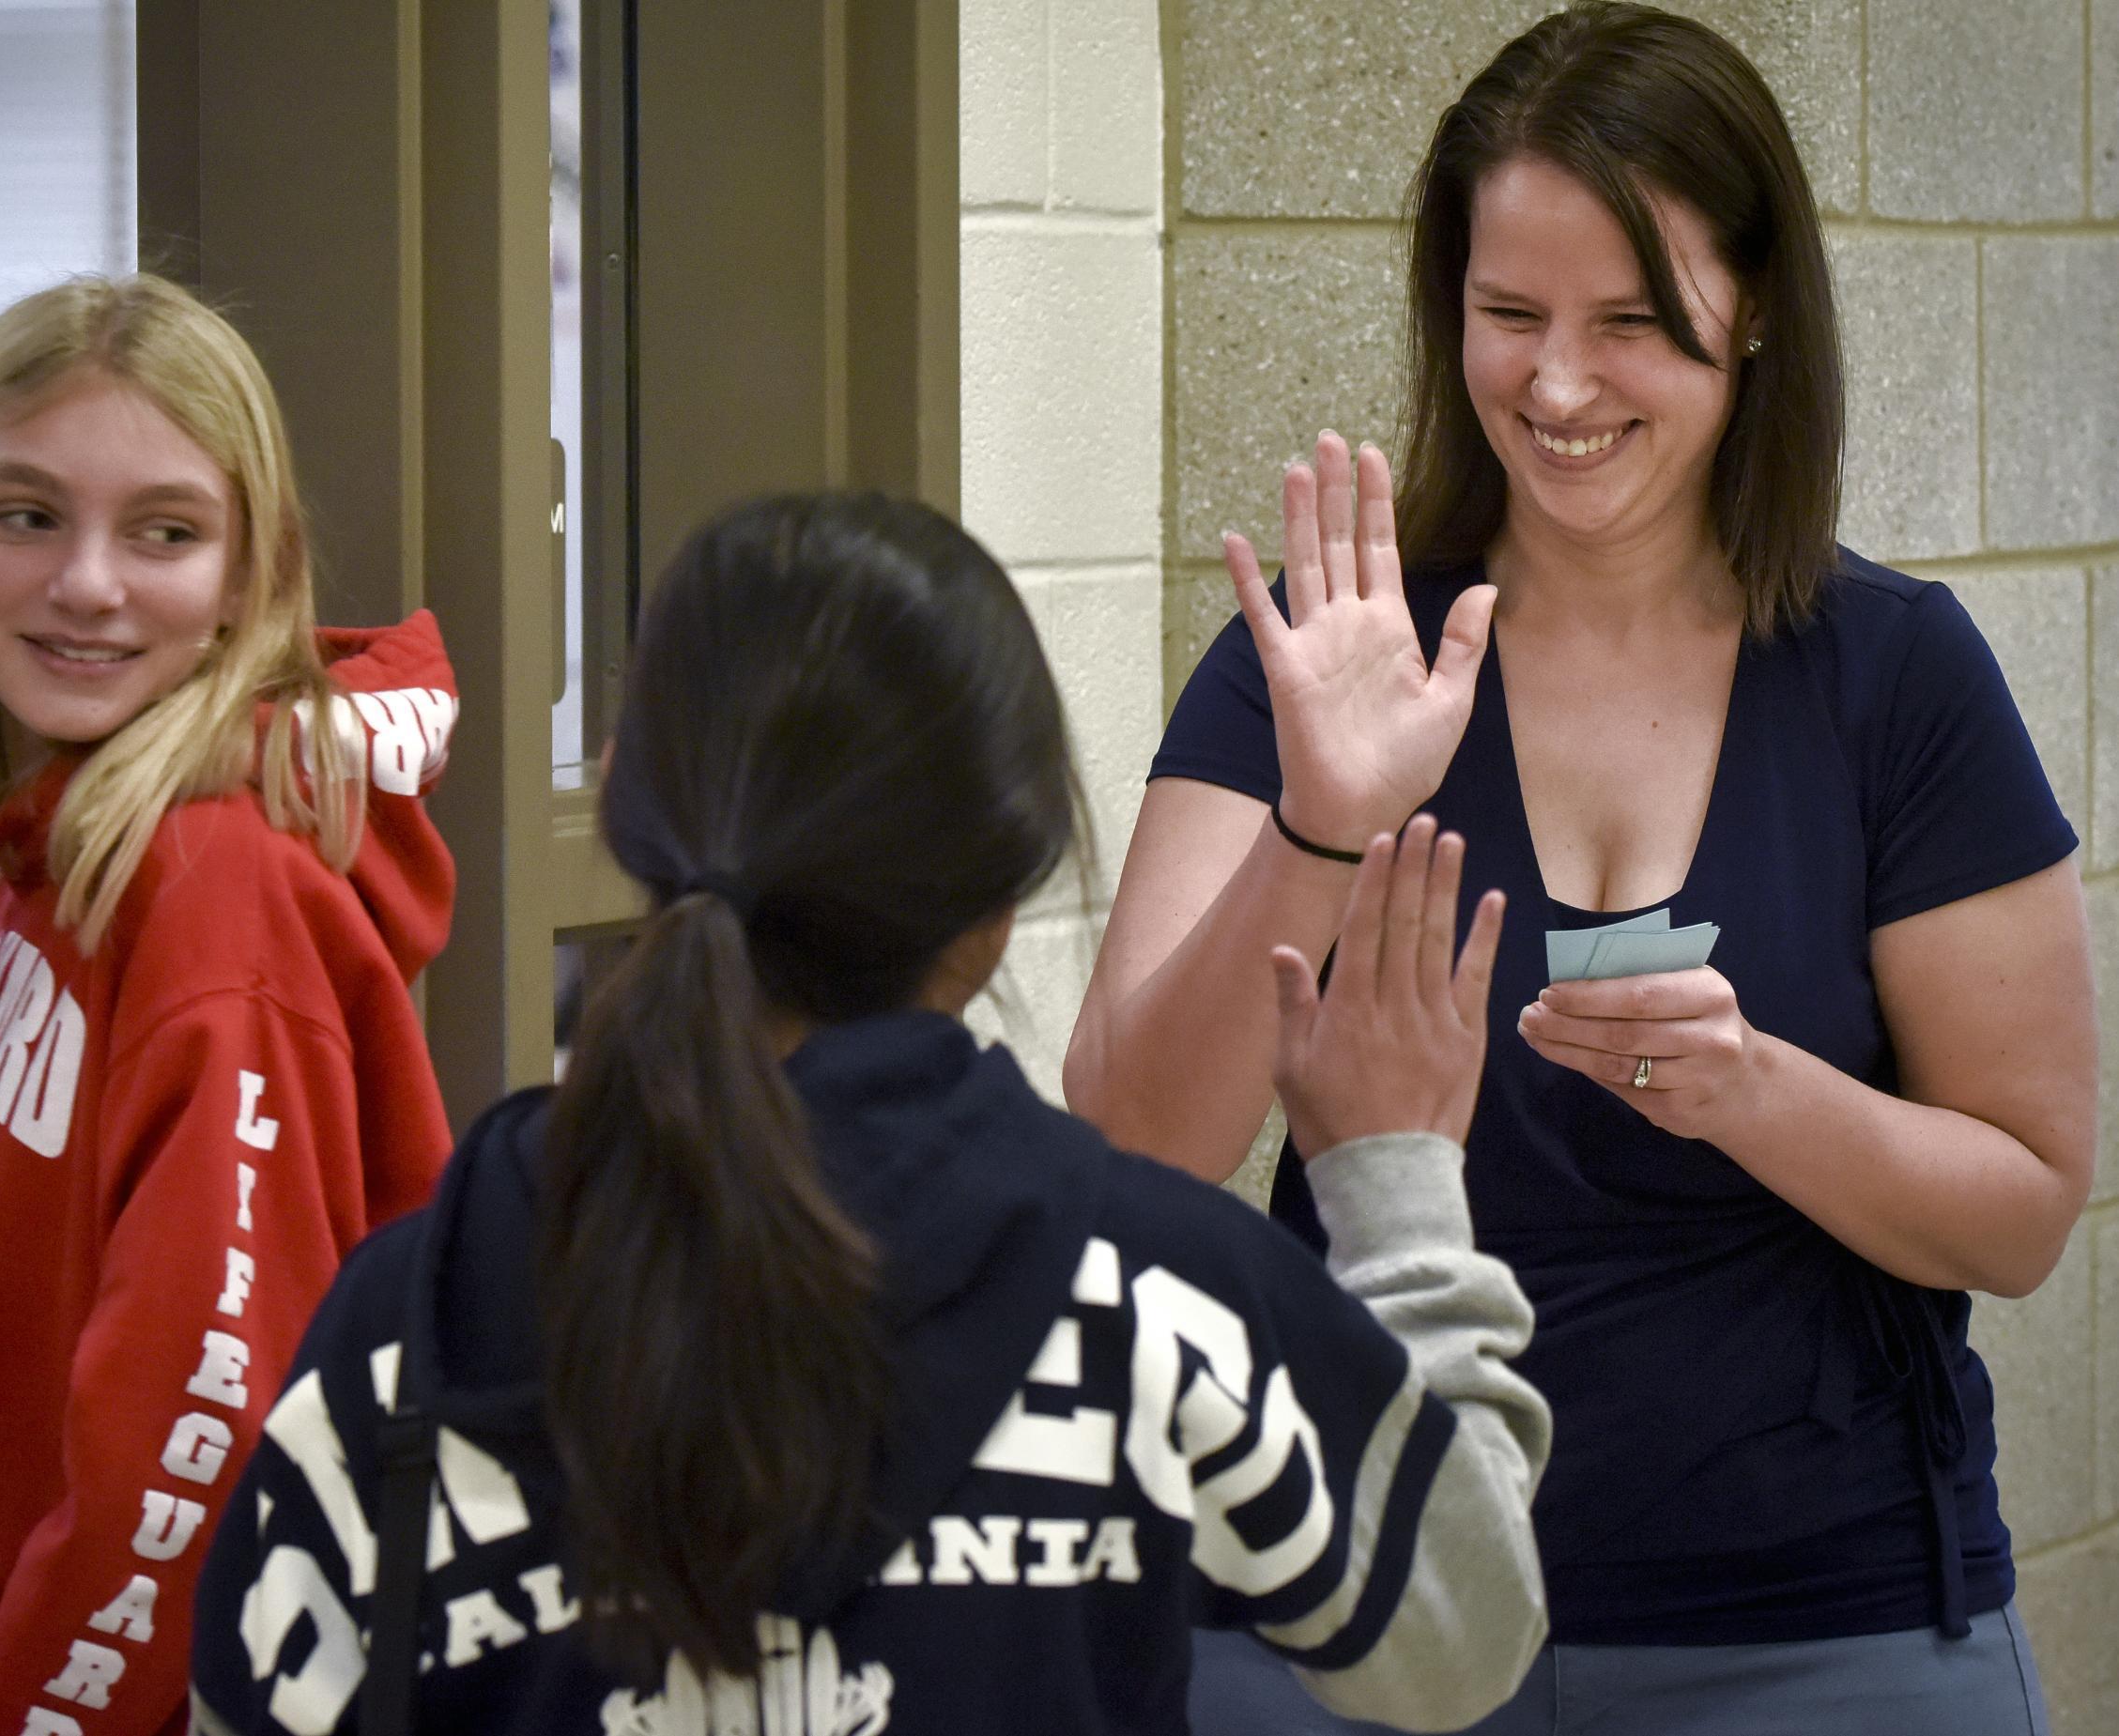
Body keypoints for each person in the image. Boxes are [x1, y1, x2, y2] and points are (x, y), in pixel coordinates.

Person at [1067, 6, 2092, 1732]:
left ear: (1753, 311)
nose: (1554, 385)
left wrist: (1752, 1089)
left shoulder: (1894, 677)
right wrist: (1318, 826)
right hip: (1348, 1608)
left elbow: (2024, 1207)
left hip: (1816, 1623)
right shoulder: (1320, 659)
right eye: (1505, 315)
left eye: (1631, 323)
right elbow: (1122, 1145)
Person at [187, 492, 1550, 1735]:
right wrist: (1397, 1186)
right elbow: (1458, 1642)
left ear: (621, 797)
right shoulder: (1148, 1297)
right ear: (1009, 884)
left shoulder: (409, 1326)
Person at [0, 274, 461, 1735]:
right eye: (26, 514)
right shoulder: (43, 834)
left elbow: (198, 1440)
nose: (88, 583)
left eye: (164, 531)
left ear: (249, 570)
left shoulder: (206, 881)